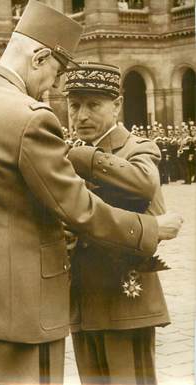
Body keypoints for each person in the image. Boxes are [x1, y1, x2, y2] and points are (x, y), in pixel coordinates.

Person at [0, 2, 182, 384]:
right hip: (15, 302)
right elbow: (80, 209)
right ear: (40, 57)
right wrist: (149, 229)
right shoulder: (29, 116)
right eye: (56, 74)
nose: (53, 89)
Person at [65, 62, 176, 385]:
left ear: (116, 105)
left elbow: (143, 183)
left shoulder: (138, 148)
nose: (81, 115)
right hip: (82, 295)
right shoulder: (69, 152)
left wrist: (83, 157)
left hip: (125, 296)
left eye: (93, 105)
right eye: (74, 105)